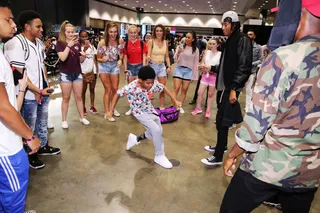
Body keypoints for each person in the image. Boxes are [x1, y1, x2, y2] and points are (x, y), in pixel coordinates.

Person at [220, 1, 320, 212]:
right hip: (308, 173)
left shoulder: (284, 58)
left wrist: (232, 154)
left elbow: (256, 125)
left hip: (267, 166)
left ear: (299, 15)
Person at [5, 10, 61, 169]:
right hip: (26, 94)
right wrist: (36, 90)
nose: (42, 29)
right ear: (27, 27)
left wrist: (45, 85)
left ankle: (42, 146)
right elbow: (20, 74)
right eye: (38, 26)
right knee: (28, 124)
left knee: (42, 121)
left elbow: (42, 65)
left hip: (41, 91)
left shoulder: (39, 43)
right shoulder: (16, 44)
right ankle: (30, 153)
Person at [0, 1, 41, 211]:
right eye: (8, 19)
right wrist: (30, 136)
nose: (13, 24)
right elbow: (2, 108)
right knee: (13, 198)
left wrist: (23, 89)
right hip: (6, 149)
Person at [201, 11, 252, 166]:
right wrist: (211, 67)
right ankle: (221, 147)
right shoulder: (231, 39)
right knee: (221, 120)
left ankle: (217, 157)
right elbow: (226, 65)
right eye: (222, 24)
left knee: (223, 121)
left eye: (226, 24)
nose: (223, 27)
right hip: (223, 85)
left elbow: (244, 67)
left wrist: (234, 88)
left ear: (234, 24)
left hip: (230, 87)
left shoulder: (242, 39)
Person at [107, 66, 181, 169]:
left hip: (149, 109)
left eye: (152, 82)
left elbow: (164, 88)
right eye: (148, 83)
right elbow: (117, 94)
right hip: (139, 112)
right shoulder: (131, 87)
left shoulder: (152, 84)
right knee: (155, 130)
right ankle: (159, 156)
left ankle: (135, 139)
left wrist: (175, 101)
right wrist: (111, 110)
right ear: (140, 80)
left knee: (155, 132)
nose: (150, 85)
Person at [56, 20, 90, 128]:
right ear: (64, 32)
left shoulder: (78, 44)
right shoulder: (60, 43)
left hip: (77, 73)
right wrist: (69, 46)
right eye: (68, 32)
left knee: (79, 97)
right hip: (65, 74)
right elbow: (62, 58)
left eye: (72, 32)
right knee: (66, 98)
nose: (71, 34)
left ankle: (82, 117)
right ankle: (64, 120)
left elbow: (79, 60)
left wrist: (83, 56)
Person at [97, 22, 124, 122]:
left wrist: (120, 59)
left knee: (115, 89)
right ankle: (107, 112)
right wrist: (102, 59)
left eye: (115, 32)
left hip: (114, 65)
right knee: (108, 89)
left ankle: (113, 108)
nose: (113, 34)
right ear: (107, 32)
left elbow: (121, 53)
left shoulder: (120, 41)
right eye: (111, 32)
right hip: (104, 66)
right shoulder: (102, 43)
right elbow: (98, 58)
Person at [191, 39, 221, 118]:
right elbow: (202, 62)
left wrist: (210, 68)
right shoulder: (206, 52)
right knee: (199, 92)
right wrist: (202, 66)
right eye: (210, 43)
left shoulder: (220, 54)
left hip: (213, 76)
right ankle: (198, 108)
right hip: (205, 75)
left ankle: (208, 110)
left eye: (213, 43)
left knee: (210, 94)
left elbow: (219, 67)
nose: (211, 45)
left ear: (217, 45)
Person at [172, 31, 199, 114]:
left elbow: (196, 63)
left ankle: (180, 106)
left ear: (193, 39)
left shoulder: (196, 50)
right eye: (186, 37)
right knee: (176, 89)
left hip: (189, 71)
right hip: (179, 69)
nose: (186, 39)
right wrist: (179, 52)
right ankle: (173, 107)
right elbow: (175, 59)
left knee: (184, 90)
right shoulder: (180, 47)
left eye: (189, 37)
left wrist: (194, 76)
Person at [123, 25, 147, 116]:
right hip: (130, 67)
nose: (133, 34)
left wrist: (143, 68)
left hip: (139, 66)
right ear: (128, 33)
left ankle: (140, 107)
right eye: (131, 33)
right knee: (131, 90)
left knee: (140, 89)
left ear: (137, 33)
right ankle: (132, 108)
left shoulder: (142, 43)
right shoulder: (126, 44)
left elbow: (144, 56)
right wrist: (125, 69)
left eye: (135, 33)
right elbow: (125, 57)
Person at [147, 24, 171, 109]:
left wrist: (169, 66)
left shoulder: (165, 42)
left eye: (160, 31)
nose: (159, 33)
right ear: (154, 32)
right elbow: (148, 54)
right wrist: (148, 58)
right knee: (149, 87)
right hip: (152, 65)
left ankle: (161, 106)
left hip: (162, 66)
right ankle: (147, 106)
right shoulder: (151, 41)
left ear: (163, 32)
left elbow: (167, 56)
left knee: (162, 87)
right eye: (157, 31)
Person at [79, 30, 98, 115]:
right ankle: (83, 107)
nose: (84, 38)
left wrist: (96, 70)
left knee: (92, 89)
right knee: (83, 90)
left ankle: (92, 106)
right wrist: (85, 50)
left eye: (86, 36)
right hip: (83, 72)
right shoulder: (78, 47)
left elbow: (95, 59)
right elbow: (81, 61)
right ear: (79, 37)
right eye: (82, 36)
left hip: (92, 71)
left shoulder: (92, 47)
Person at [245, 29, 263, 112]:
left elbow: (261, 59)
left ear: (254, 36)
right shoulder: (243, 46)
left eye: (251, 34)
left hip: (251, 72)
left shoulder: (258, 47)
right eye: (248, 34)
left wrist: (251, 63)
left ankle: (248, 107)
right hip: (242, 71)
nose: (249, 36)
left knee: (249, 90)